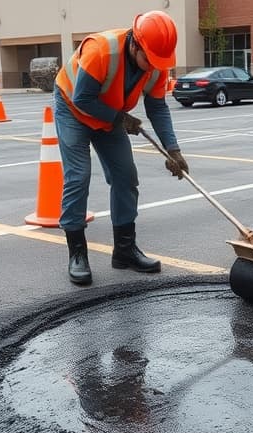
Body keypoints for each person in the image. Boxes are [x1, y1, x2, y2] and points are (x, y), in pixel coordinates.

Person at [53, 10, 189, 286]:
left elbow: (158, 108)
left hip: (111, 114)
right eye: (148, 59)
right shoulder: (101, 51)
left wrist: (172, 149)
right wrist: (120, 118)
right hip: (73, 109)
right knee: (78, 177)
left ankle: (125, 251)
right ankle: (77, 253)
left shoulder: (156, 65)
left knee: (126, 177)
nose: (152, 67)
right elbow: (83, 98)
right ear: (134, 44)